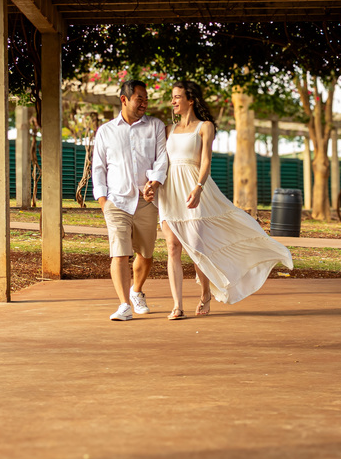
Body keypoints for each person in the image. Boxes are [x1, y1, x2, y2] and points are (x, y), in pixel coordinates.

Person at [158, 80, 293, 319]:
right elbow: (161, 162)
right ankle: (177, 305)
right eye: (173, 97)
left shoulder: (205, 126)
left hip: (194, 188)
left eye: (177, 96)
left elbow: (206, 161)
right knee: (172, 247)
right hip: (170, 192)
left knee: (196, 247)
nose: (173, 101)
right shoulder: (168, 130)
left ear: (190, 99)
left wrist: (198, 188)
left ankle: (205, 294)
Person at [92, 79, 169, 321]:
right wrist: (103, 200)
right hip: (117, 201)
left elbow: (161, 159)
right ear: (124, 100)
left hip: (146, 201)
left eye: (146, 99)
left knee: (146, 254)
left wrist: (154, 183)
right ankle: (124, 305)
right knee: (119, 253)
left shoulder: (155, 126)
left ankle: (136, 291)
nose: (145, 103)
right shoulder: (106, 131)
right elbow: (98, 168)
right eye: (140, 98)